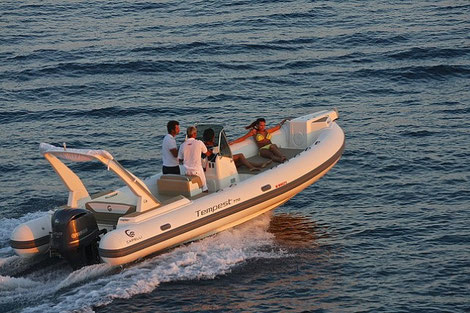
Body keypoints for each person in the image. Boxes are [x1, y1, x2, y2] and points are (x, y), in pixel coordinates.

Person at [203, 128, 271, 171]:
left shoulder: (203, 145)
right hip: (220, 163)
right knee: (240, 156)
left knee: (241, 161)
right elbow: (215, 155)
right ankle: (251, 167)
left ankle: (259, 165)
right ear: (213, 137)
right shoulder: (212, 146)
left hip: (217, 164)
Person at [178, 126, 208, 191]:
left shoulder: (182, 145)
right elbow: (206, 152)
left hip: (186, 171)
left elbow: (180, 159)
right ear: (194, 134)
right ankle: (204, 189)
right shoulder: (199, 143)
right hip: (197, 171)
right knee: (205, 188)